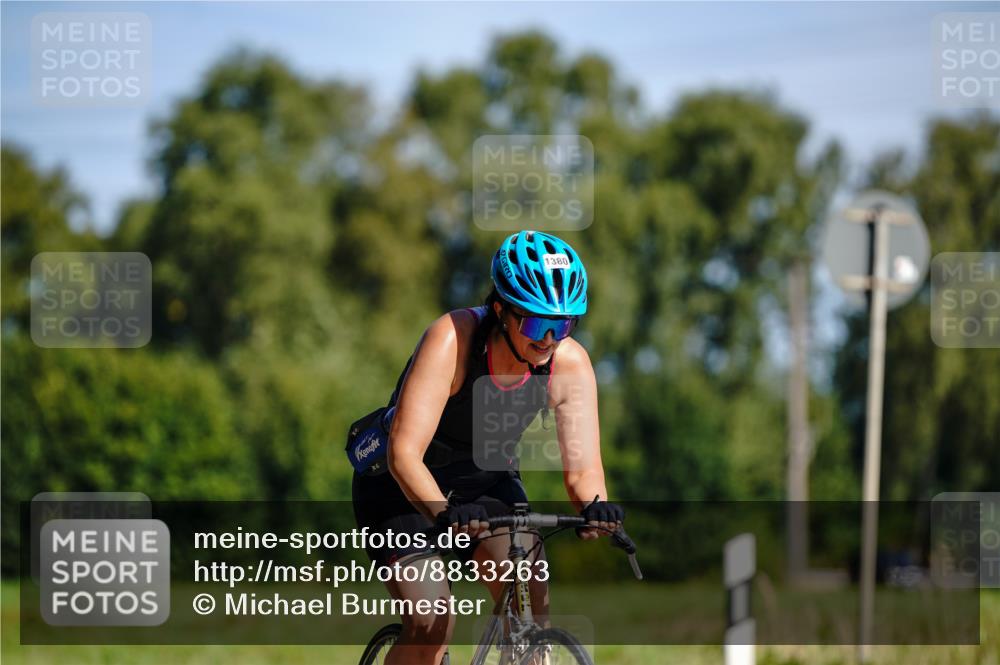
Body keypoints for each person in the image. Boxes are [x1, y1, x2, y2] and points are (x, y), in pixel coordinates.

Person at [351, 230, 624, 665]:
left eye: (563, 325)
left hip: (486, 481)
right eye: (537, 323)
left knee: (530, 602)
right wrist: (442, 512)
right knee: (431, 621)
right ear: (501, 310)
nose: (549, 339)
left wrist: (597, 508)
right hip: (401, 484)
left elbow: (583, 471)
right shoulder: (452, 339)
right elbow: (404, 452)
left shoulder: (569, 363)